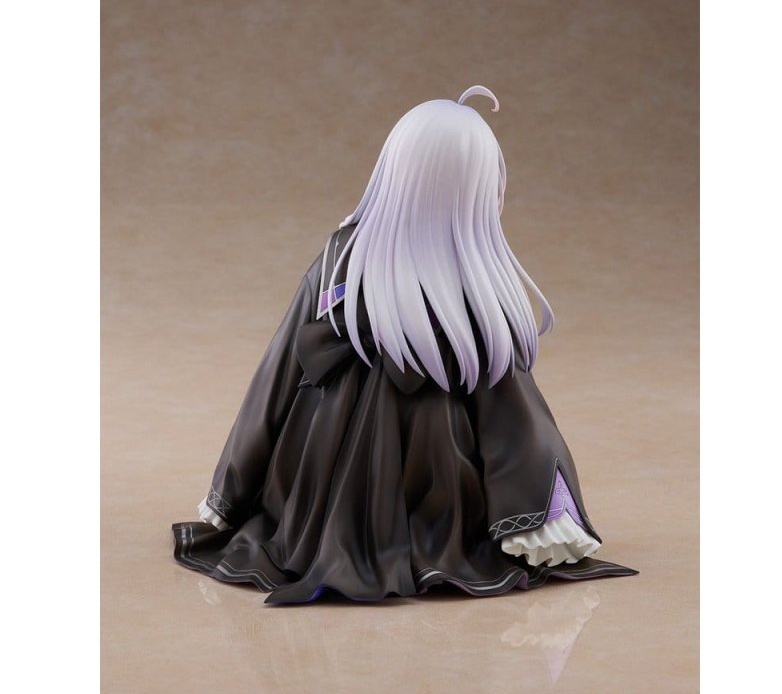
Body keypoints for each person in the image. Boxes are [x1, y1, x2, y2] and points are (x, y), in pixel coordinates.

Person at [171, 86, 637, 603]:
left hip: (369, 476)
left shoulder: (363, 258)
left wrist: (233, 488)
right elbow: (513, 413)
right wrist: (231, 485)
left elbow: (278, 373)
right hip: (383, 479)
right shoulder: (373, 261)